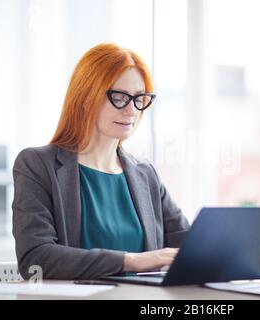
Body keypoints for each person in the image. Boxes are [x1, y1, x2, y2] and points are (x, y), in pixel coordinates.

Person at [12, 43, 190, 280]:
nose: (131, 110)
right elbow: (36, 259)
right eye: (119, 97)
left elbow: (190, 245)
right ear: (86, 96)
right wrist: (133, 261)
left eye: (139, 98)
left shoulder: (145, 174)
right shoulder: (36, 164)